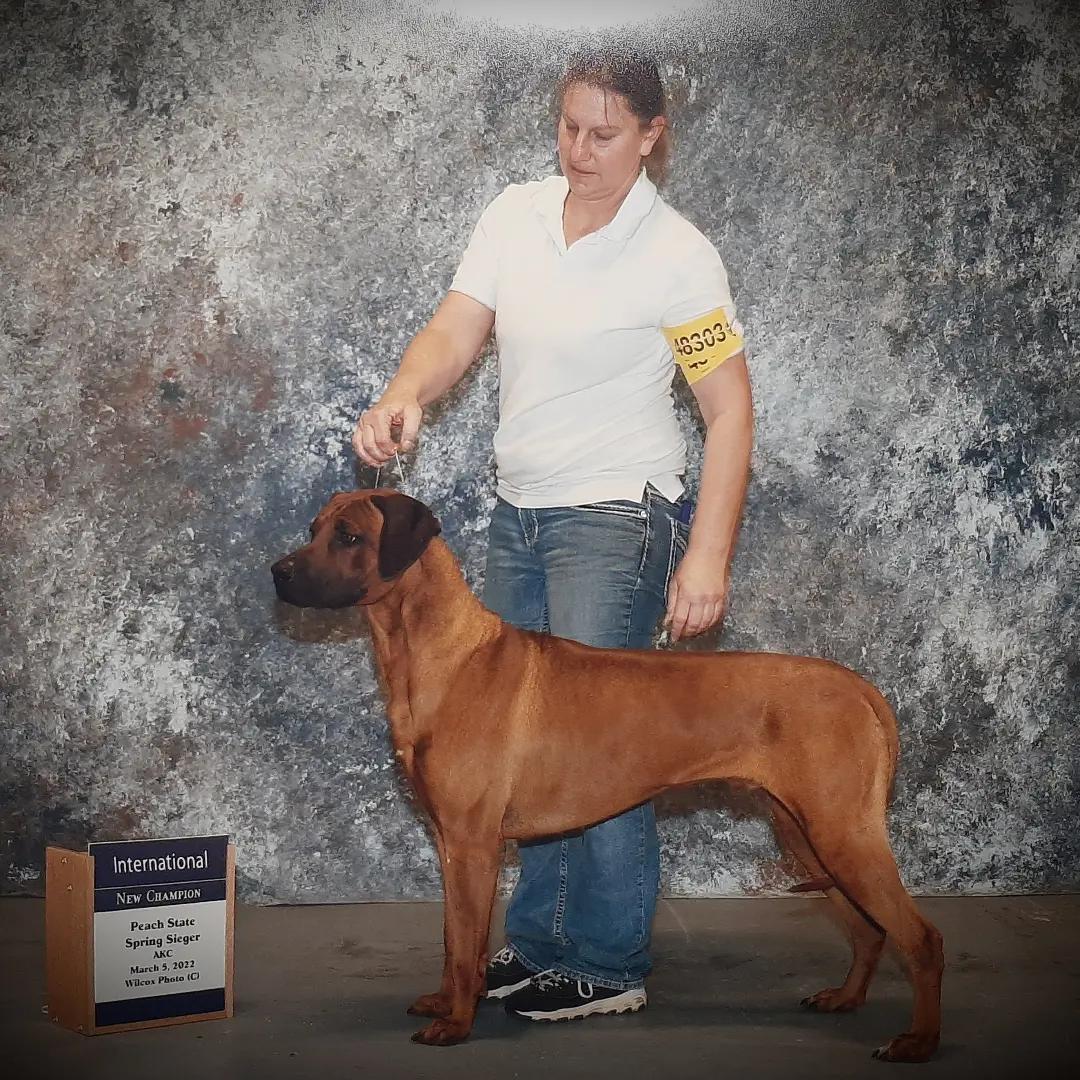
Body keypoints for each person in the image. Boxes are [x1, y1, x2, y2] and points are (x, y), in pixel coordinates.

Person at [353, 47, 753, 1023]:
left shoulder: (679, 254)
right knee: (518, 756)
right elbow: (456, 329)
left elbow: (729, 409)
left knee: (607, 748)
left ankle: (609, 962)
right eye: (569, 127)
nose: (579, 150)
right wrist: (406, 390)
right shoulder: (514, 215)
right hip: (519, 513)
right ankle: (538, 948)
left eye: (604, 134)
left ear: (652, 137)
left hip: (615, 518)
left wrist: (707, 552)